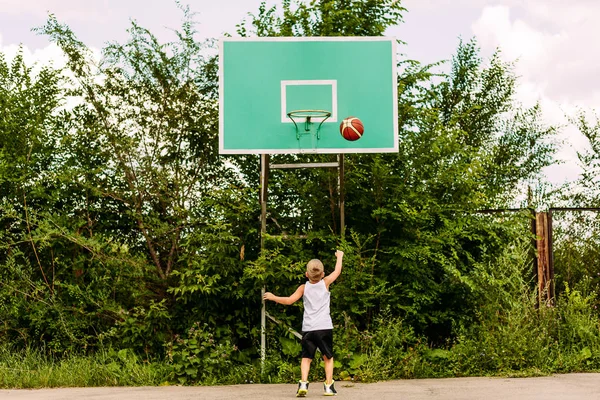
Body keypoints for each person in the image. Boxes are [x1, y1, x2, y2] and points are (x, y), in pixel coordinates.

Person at [264, 250, 344, 397]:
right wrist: (339, 256)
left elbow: (289, 301)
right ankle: (328, 386)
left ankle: (303, 384)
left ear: (306, 274)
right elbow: (337, 271)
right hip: (324, 327)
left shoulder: (303, 287)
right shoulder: (325, 283)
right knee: (328, 357)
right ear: (323, 274)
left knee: (306, 358)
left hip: (308, 328)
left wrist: (274, 297)